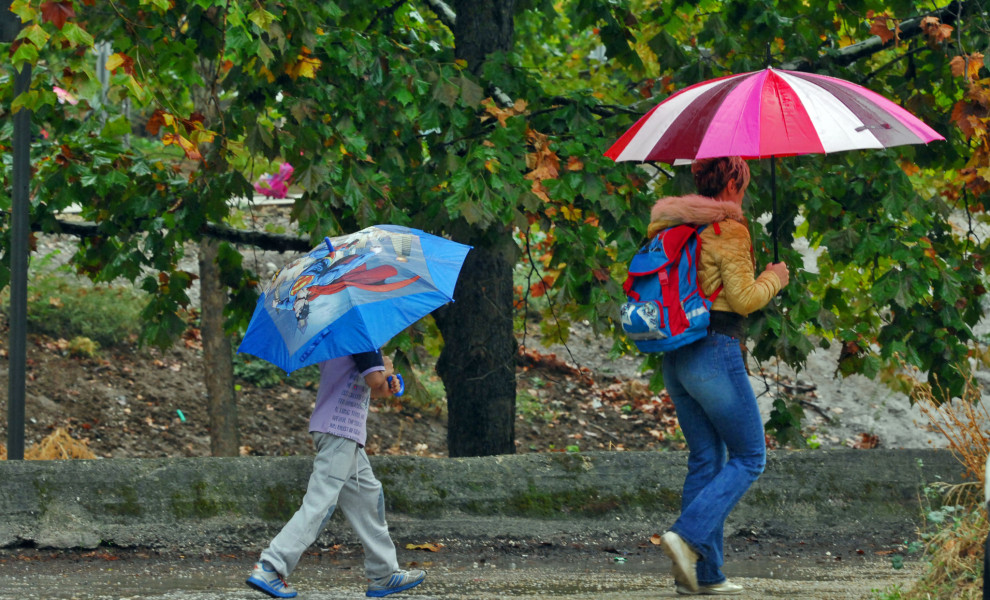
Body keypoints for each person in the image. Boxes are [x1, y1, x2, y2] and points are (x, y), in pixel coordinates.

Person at [650, 156, 790, 596]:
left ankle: (702, 575)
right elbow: (743, 299)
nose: (744, 191)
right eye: (743, 182)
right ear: (731, 183)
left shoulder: (673, 227)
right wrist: (774, 278)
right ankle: (686, 535)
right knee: (750, 456)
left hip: (676, 355)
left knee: (706, 459)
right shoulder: (727, 229)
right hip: (714, 350)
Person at [246, 350, 426, 599]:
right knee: (320, 502)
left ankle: (384, 573)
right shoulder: (361, 337)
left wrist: (387, 385)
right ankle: (271, 566)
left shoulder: (337, 341)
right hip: (340, 430)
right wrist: (385, 368)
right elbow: (373, 379)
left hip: (342, 431)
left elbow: (370, 387)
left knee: (367, 496)